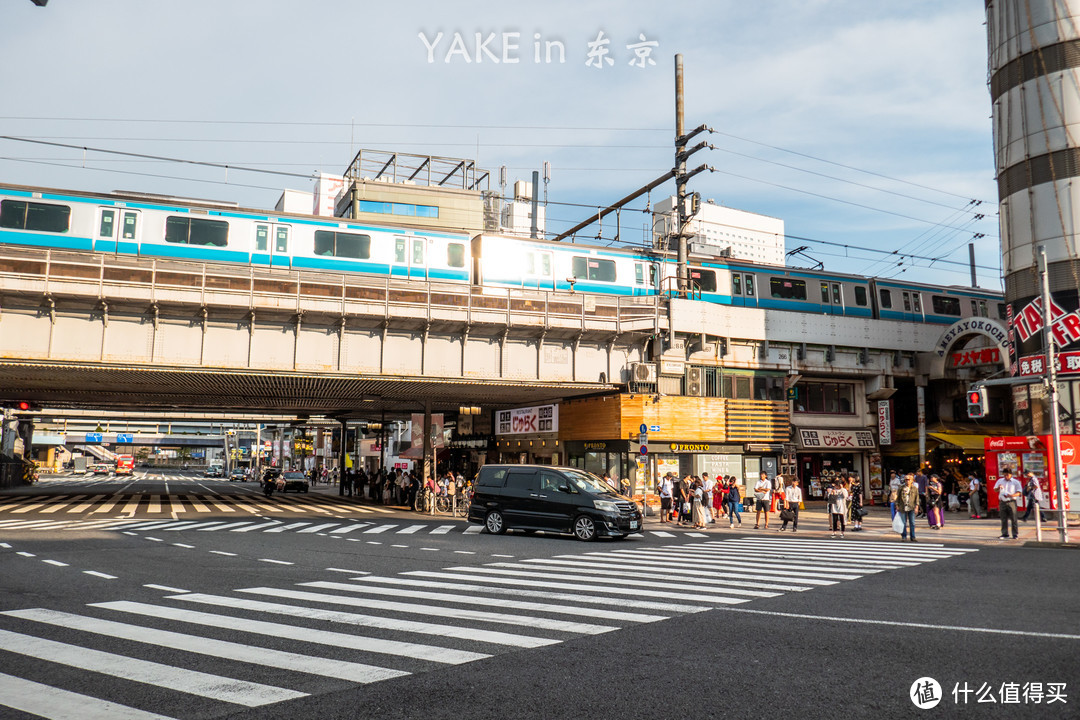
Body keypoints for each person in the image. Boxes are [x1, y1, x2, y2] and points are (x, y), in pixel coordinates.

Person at [996, 468, 1022, 539]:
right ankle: (1004, 533)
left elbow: (1019, 492)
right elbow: (995, 489)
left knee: (1013, 518)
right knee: (1003, 518)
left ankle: (1015, 534)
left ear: (1011, 474)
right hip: (1002, 501)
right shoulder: (1000, 481)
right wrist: (998, 488)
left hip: (1011, 501)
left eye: (1007, 475)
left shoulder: (1015, 482)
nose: (1006, 477)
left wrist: (1011, 495)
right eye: (1004, 475)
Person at [897, 473, 919, 542]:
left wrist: (917, 507)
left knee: (912, 522)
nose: (907, 481)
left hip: (911, 506)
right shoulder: (901, 488)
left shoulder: (914, 488)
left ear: (912, 480)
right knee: (903, 522)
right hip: (903, 507)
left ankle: (913, 536)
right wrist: (897, 505)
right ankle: (904, 536)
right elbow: (898, 498)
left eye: (908, 480)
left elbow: (917, 498)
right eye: (906, 480)